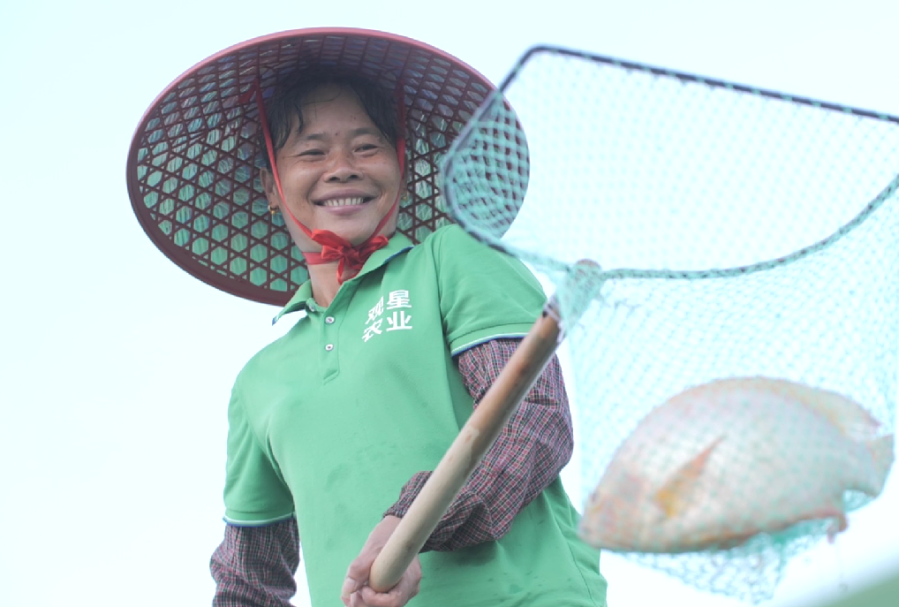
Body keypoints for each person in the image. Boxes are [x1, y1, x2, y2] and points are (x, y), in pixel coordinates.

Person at [125, 29, 606, 607]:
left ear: (402, 165)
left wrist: (411, 519)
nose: (342, 168)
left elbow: (532, 423)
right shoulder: (260, 381)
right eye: (311, 152)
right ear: (271, 187)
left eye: (367, 146)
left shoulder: (455, 258)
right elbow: (249, 581)